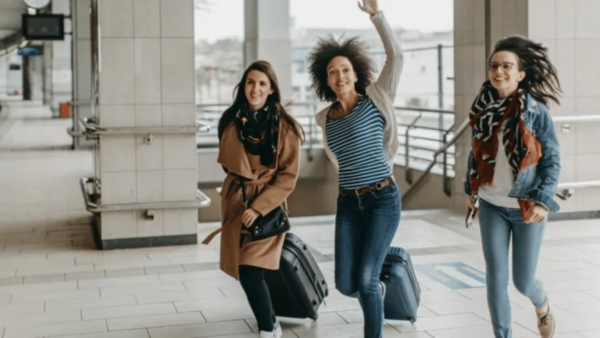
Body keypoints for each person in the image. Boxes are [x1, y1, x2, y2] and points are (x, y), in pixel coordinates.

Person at [306, 0, 403, 337]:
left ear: (356, 73)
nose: (340, 75)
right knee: (348, 284)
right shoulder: (325, 120)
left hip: (382, 198)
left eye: (345, 69)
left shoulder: (376, 98)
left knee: (366, 280)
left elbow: (397, 57)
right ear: (327, 80)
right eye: (333, 72)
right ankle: (377, 285)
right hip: (348, 204)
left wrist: (377, 16)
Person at [465, 36, 561, 338]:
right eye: (494, 66)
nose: (499, 71)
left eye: (507, 66)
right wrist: (472, 191)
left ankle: (542, 304)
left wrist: (543, 201)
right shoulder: (482, 110)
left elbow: (552, 161)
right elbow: (476, 154)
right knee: (495, 277)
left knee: (523, 280)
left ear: (520, 74)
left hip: (526, 208)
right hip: (492, 205)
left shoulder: (537, 113)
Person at [202, 60, 304, 338]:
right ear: (243, 85)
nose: (255, 88)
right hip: (238, 202)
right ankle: (270, 321)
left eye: (262, 83)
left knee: (249, 271)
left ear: (271, 89)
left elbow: (287, 176)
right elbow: (229, 165)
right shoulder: (232, 121)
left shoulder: (286, 128)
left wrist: (259, 207)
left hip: (267, 207)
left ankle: (268, 328)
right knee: (246, 270)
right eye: (250, 82)